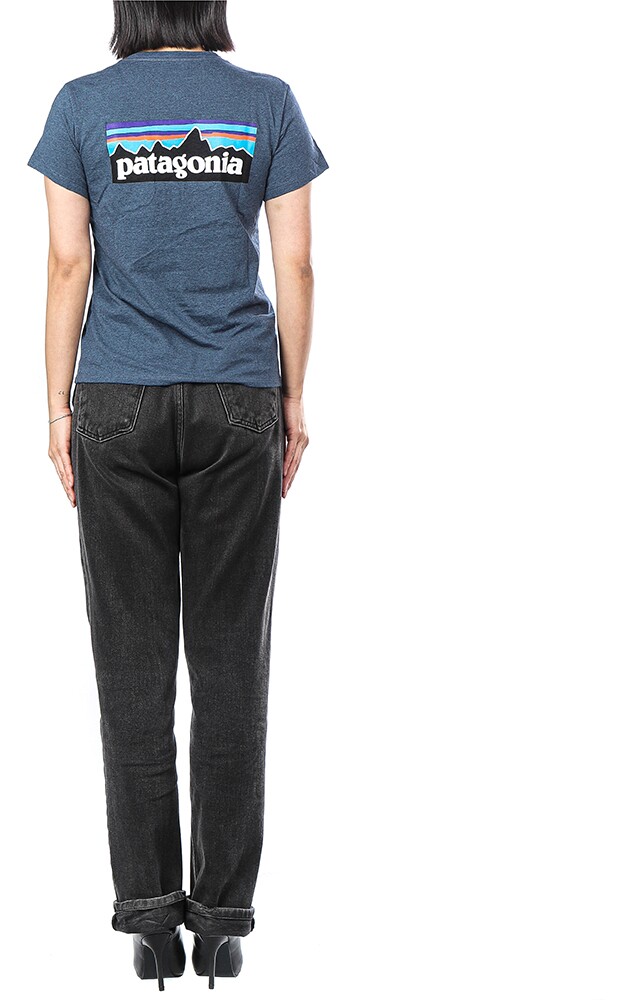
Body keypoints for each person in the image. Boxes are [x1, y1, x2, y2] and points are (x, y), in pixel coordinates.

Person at [27, 0, 329, 989]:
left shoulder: (82, 104)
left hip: (116, 397)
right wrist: (292, 398)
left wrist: (57, 408)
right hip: (240, 396)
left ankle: (152, 922)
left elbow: (68, 262)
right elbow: (296, 261)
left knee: (133, 666)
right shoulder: (267, 102)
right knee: (232, 664)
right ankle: (224, 923)